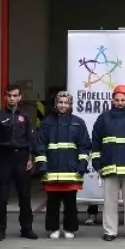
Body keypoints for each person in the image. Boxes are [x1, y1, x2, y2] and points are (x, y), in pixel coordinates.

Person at [91, 84, 125, 241]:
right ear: (112, 100)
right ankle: (110, 231)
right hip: (109, 166)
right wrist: (97, 164)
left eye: (123, 99)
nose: (120, 102)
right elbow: (96, 143)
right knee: (109, 202)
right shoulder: (103, 118)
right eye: (117, 99)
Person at [34, 90, 91, 238]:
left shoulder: (78, 123)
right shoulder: (47, 122)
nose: (63, 105)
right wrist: (42, 166)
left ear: (70, 104)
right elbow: (40, 145)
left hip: (71, 170)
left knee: (70, 202)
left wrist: (82, 165)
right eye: (60, 102)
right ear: (55, 104)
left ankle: (69, 228)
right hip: (51, 169)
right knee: (52, 202)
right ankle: (53, 228)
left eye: (66, 102)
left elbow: (85, 146)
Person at [0, 83, 38, 240]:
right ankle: (0, 229)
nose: (12, 98)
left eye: (15, 95)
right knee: (1, 196)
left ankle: (27, 228)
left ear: (19, 97)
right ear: (5, 97)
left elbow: (31, 138)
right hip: (5, 157)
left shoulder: (25, 116)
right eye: (9, 95)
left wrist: (31, 158)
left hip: (22, 157)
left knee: (24, 196)